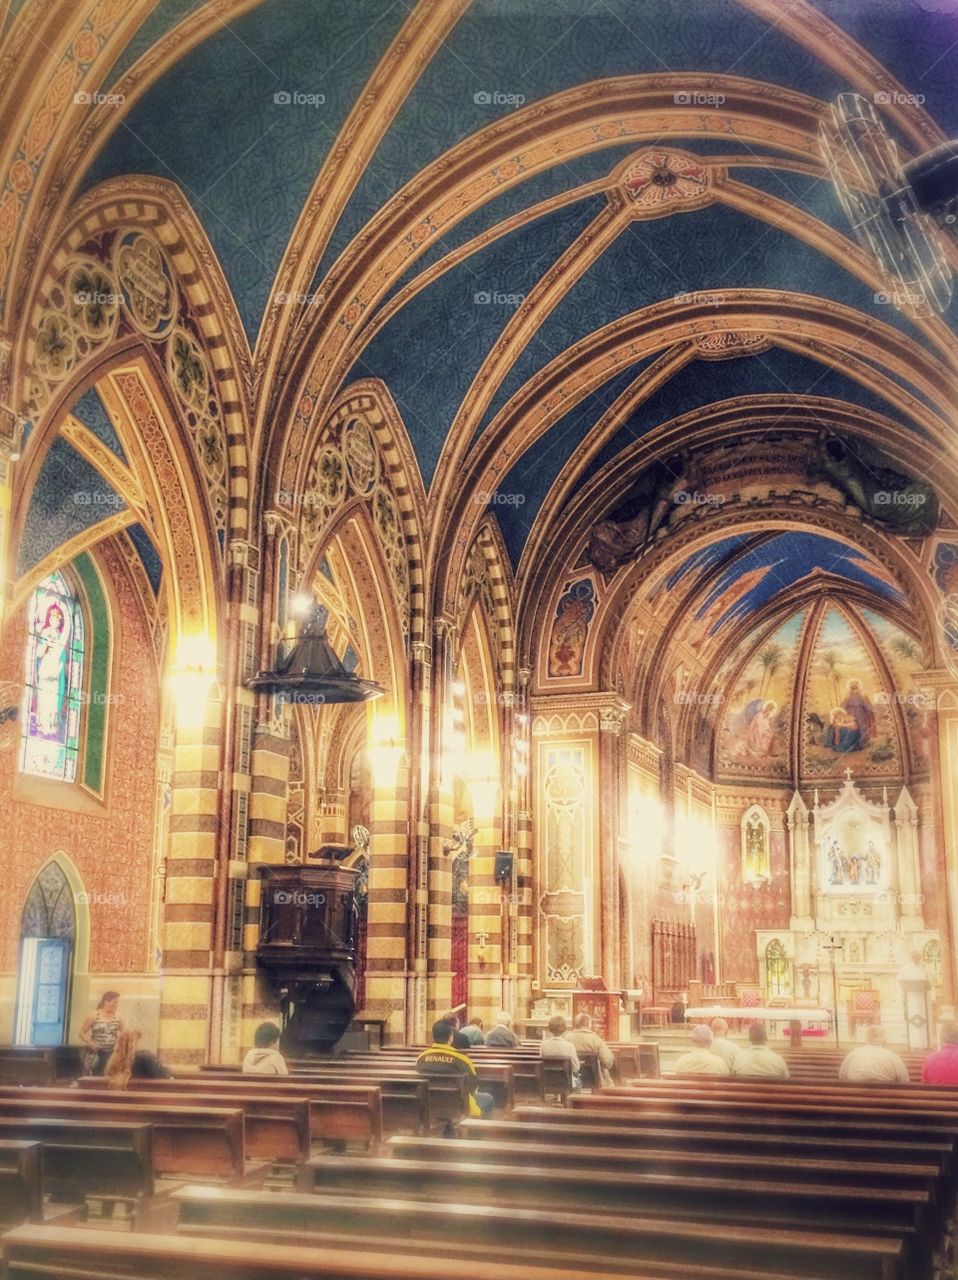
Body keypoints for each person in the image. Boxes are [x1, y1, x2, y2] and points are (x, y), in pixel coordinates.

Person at [416, 1019, 493, 1125]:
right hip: (459, 1107)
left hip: (429, 1105)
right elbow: (473, 1086)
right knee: (488, 1099)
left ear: (433, 1037)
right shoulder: (462, 1059)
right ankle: (477, 1136)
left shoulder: (421, 1058)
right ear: (450, 1037)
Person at [104, 1029, 173, 1089]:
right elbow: (166, 1076)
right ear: (136, 1042)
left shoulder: (113, 1060)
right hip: (145, 1100)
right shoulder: (145, 1057)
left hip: (121, 1101)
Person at [839, 1026, 909, 1083]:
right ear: (884, 1040)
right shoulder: (893, 1057)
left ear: (867, 1038)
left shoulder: (853, 1054)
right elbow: (905, 1080)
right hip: (885, 1098)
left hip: (855, 1098)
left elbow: (842, 1076)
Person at [564, 1012, 615, 1087]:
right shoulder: (595, 1039)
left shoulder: (567, 1038)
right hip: (594, 1079)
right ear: (588, 1024)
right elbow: (607, 1061)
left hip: (571, 1079)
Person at [79, 991, 124, 1076]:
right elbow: (81, 1033)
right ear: (106, 1002)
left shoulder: (118, 1017)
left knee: (110, 1076)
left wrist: (119, 1045)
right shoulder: (94, 1016)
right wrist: (90, 1043)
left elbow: (124, 1035)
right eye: (115, 1002)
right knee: (98, 1076)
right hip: (97, 1054)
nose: (116, 1005)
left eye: (117, 1002)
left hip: (112, 1054)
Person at [541, 1015, 582, 1089]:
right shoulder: (569, 1045)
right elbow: (576, 1067)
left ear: (550, 1028)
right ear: (564, 1029)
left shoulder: (543, 1045)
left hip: (548, 1079)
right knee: (577, 1078)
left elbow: (541, 1062)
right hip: (565, 1081)